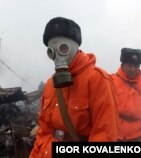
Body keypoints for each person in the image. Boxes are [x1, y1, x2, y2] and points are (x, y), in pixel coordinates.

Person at [29, 17, 118, 158]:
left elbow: (104, 135)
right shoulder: (51, 84)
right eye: (51, 51)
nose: (57, 56)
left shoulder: (98, 80)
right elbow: (44, 131)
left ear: (76, 47)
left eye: (63, 48)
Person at [111, 48, 141, 141]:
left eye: (136, 66)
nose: (133, 69)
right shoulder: (110, 81)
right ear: (122, 65)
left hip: (137, 135)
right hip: (114, 134)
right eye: (129, 65)